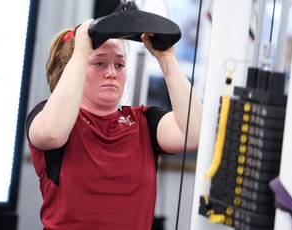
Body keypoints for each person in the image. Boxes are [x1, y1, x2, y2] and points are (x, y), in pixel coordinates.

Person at [26, 18, 202, 230]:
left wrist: (166, 58)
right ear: (75, 68)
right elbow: (51, 133)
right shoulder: (47, 116)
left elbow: (194, 134)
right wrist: (81, 53)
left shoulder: (144, 122)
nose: (112, 73)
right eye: (99, 63)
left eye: (119, 64)